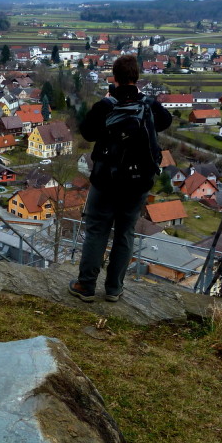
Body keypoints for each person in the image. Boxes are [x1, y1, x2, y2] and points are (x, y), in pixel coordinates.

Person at [68, 54, 172, 302]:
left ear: (114, 77)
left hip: (106, 181)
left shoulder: (107, 105)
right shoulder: (147, 104)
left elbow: (88, 133)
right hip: (137, 182)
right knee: (125, 234)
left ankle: (86, 286)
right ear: (136, 77)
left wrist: (106, 106)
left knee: (97, 231)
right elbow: (165, 121)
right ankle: (114, 288)